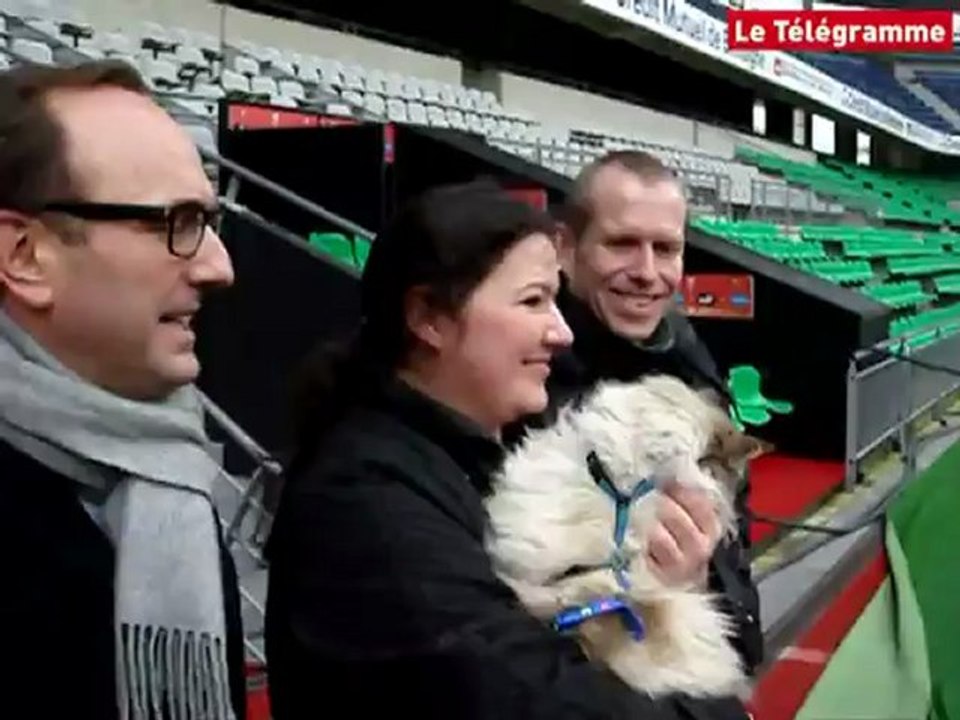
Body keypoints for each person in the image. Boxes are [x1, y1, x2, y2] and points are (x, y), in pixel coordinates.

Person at [264, 181, 750, 719]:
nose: (561, 332)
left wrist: (667, 587)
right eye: (533, 301)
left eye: (555, 301)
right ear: (428, 317)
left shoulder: (475, 452)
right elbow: (527, 695)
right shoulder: (362, 500)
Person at [0, 61, 245, 719]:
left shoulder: (170, 481)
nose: (219, 266)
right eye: (177, 223)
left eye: (209, 221)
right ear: (23, 256)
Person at [509, 150, 763, 679]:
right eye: (622, 243)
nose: (647, 272)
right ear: (566, 248)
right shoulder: (522, 378)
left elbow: (736, 555)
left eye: (665, 248)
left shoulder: (694, 369)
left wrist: (701, 585)